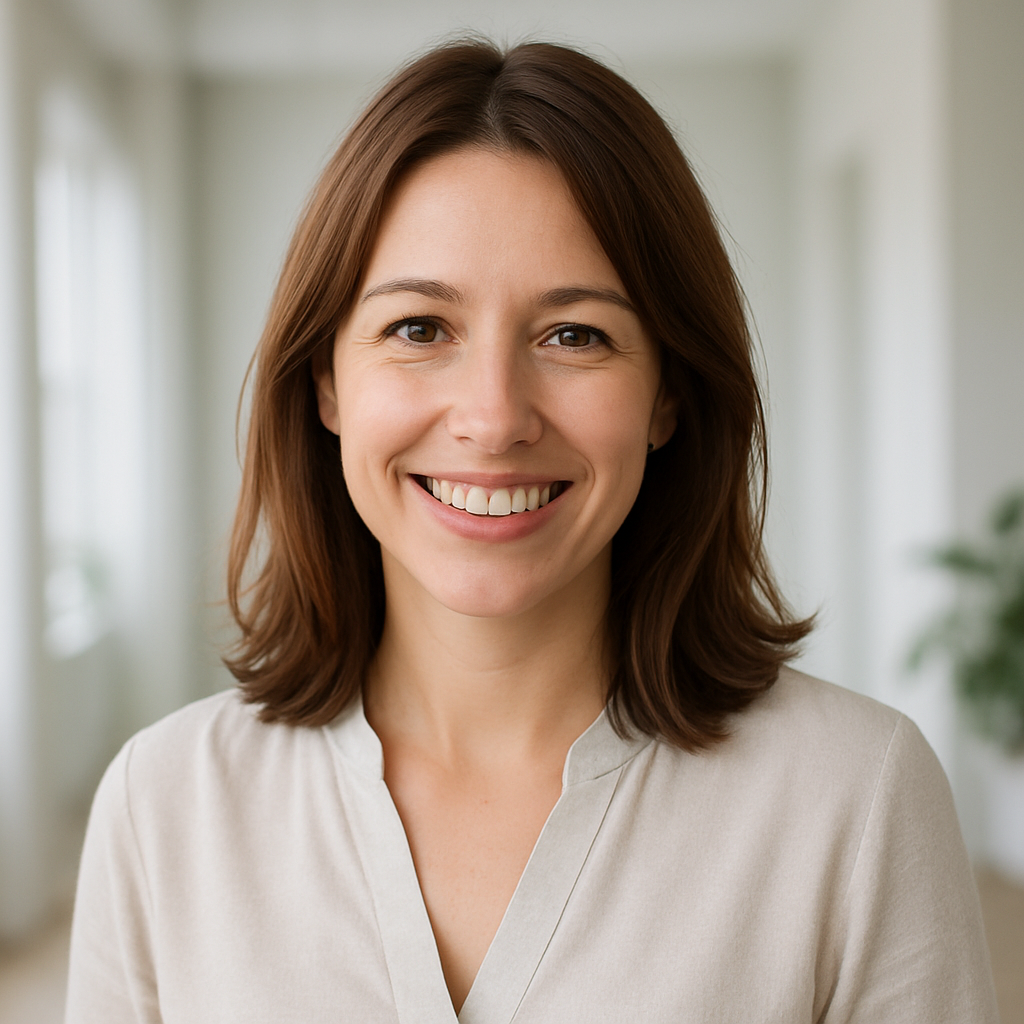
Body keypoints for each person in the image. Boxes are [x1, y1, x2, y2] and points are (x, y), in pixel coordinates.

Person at [65, 39, 998, 1023]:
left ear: (668, 394)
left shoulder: (855, 798)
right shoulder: (165, 804)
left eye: (574, 335)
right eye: (420, 328)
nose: (494, 416)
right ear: (329, 383)